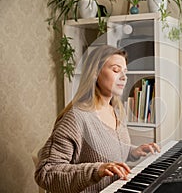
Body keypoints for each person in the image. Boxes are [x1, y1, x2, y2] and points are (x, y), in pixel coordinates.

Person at [35, 45, 160, 193]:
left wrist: (133, 152)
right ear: (95, 73)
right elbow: (46, 173)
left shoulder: (116, 111)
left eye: (125, 71)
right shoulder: (76, 118)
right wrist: (97, 170)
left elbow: (109, 150)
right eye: (115, 70)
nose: (124, 77)